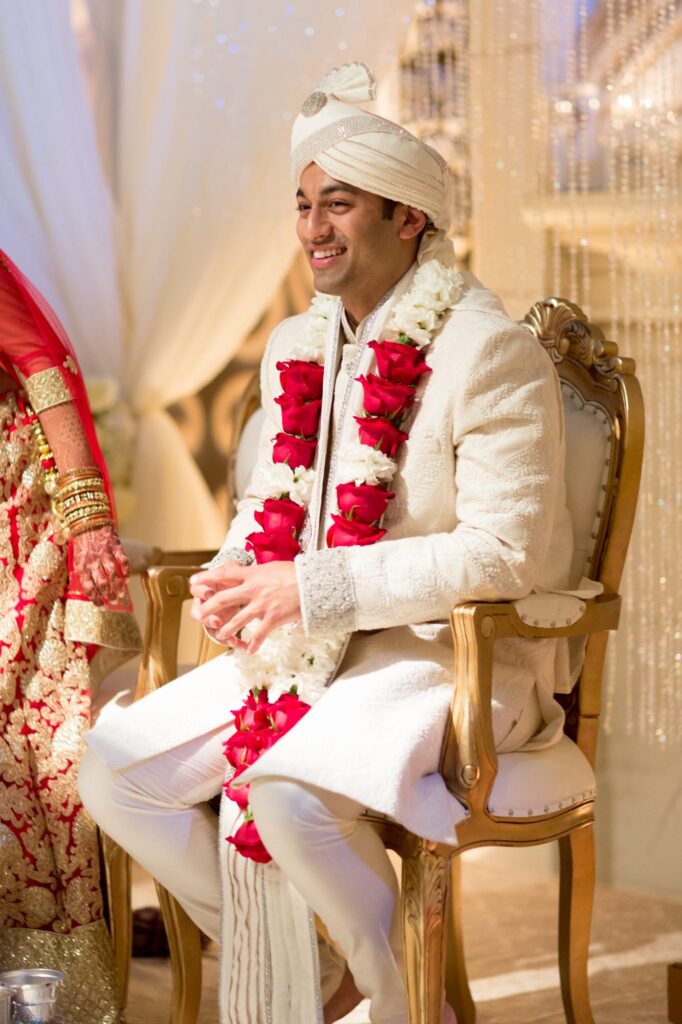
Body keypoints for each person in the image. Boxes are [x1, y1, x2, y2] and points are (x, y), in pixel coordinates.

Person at [79, 63, 576, 1024]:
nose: (312, 228)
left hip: (452, 656)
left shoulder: (488, 352)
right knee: (115, 769)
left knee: (290, 794)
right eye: (304, 204)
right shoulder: (299, 345)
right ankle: (320, 965)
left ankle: (390, 1004)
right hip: (315, 647)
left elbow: (503, 558)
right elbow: (276, 497)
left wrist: (316, 588)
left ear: (410, 220)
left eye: (339, 205)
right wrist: (237, 572)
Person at [0, 251, 141, 1024]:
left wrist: (85, 517)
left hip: (14, 538)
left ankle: (39, 991)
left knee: (24, 743)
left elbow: (42, 366)